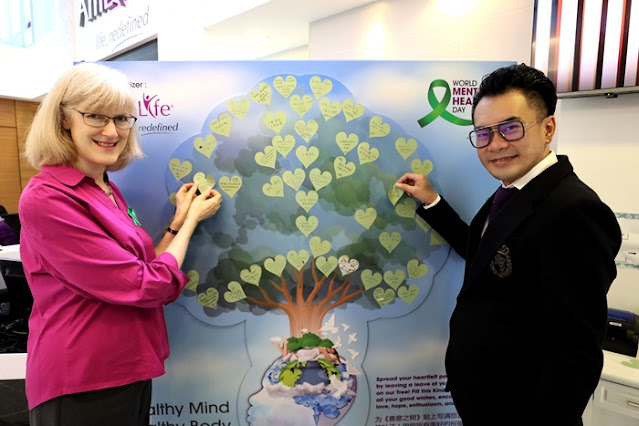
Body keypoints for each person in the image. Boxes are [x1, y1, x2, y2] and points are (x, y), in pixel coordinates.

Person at [396, 64, 621, 426]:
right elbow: (487, 256)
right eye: (484, 133)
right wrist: (432, 201)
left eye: (511, 128)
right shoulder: (514, 191)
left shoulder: (573, 210)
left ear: (548, 128)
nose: (496, 144)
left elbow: (575, 353)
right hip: (487, 401)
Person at [19, 62, 222, 425]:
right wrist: (191, 221)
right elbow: (147, 284)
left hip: (125, 368)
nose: (112, 131)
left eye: (122, 119)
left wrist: (176, 223)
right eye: (96, 116)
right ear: (64, 119)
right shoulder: (48, 198)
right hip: (84, 379)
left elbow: (140, 269)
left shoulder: (105, 189)